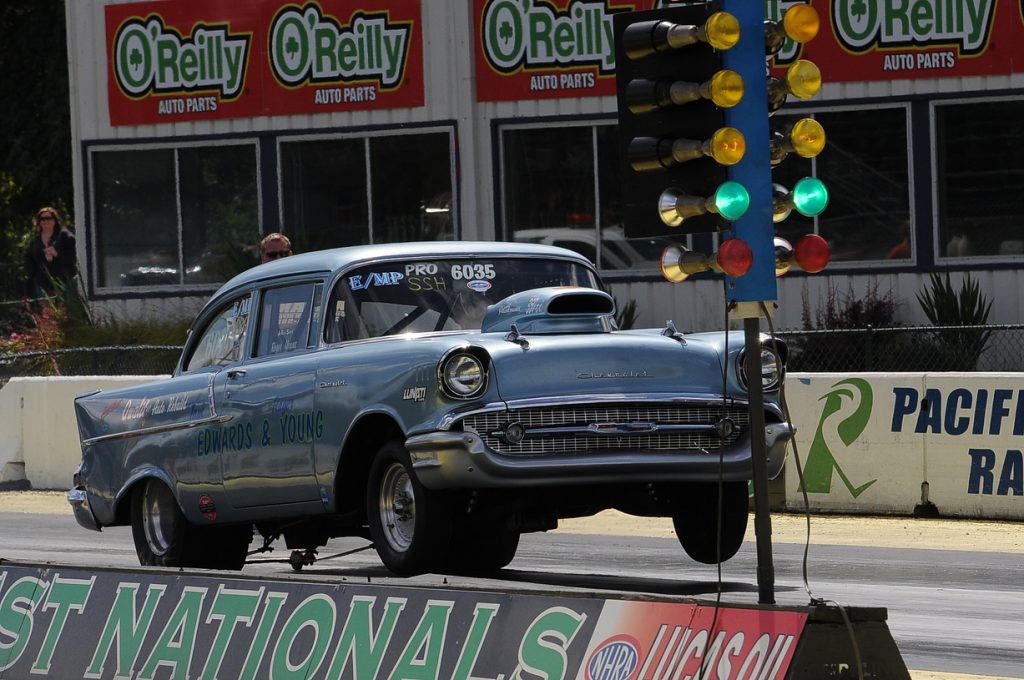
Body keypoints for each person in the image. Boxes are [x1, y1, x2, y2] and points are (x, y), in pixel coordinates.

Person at [24, 207, 77, 300]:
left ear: (55, 220)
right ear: (38, 222)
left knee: (63, 311)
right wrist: (34, 273)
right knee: (46, 312)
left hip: (63, 281)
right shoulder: (35, 241)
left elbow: (73, 256)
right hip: (42, 282)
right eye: (42, 219)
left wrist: (57, 254)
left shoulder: (65, 236)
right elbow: (27, 257)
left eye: (48, 218)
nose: (45, 221)